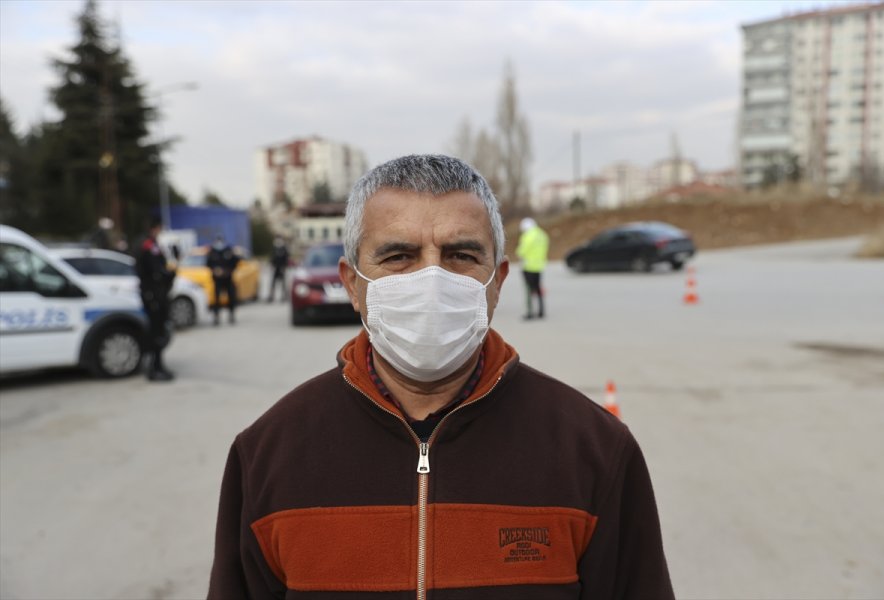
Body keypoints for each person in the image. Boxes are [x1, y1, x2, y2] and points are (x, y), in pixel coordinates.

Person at [207, 155, 674, 599]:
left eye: (460, 255)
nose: (431, 281)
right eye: (399, 256)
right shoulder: (268, 454)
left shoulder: (594, 450)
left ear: (497, 282)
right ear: (352, 284)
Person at [136, 218, 175, 382]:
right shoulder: (149, 245)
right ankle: (154, 369)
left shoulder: (149, 243)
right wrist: (170, 274)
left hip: (154, 293)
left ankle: (158, 366)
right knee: (156, 332)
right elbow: (157, 271)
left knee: (157, 332)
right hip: (154, 295)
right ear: (156, 228)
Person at [516, 216, 549, 320]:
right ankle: (541, 311)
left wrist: (519, 253)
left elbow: (522, 251)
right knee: (538, 288)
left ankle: (530, 312)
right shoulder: (542, 234)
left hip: (528, 266)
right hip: (539, 266)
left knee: (528, 289)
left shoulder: (528, 235)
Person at [206, 235, 238, 325]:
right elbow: (208, 263)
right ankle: (216, 317)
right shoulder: (212, 251)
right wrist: (215, 270)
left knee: (231, 297)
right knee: (216, 298)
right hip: (217, 279)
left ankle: (231, 315)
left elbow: (235, 262)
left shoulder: (228, 250)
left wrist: (228, 271)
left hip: (228, 278)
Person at [267, 236, 289, 302]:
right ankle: (271, 296)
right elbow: (272, 257)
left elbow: (286, 258)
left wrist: (284, 267)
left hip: (281, 267)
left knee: (283, 283)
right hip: (275, 268)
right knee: (273, 283)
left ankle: (284, 296)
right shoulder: (274, 248)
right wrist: (272, 265)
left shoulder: (284, 248)